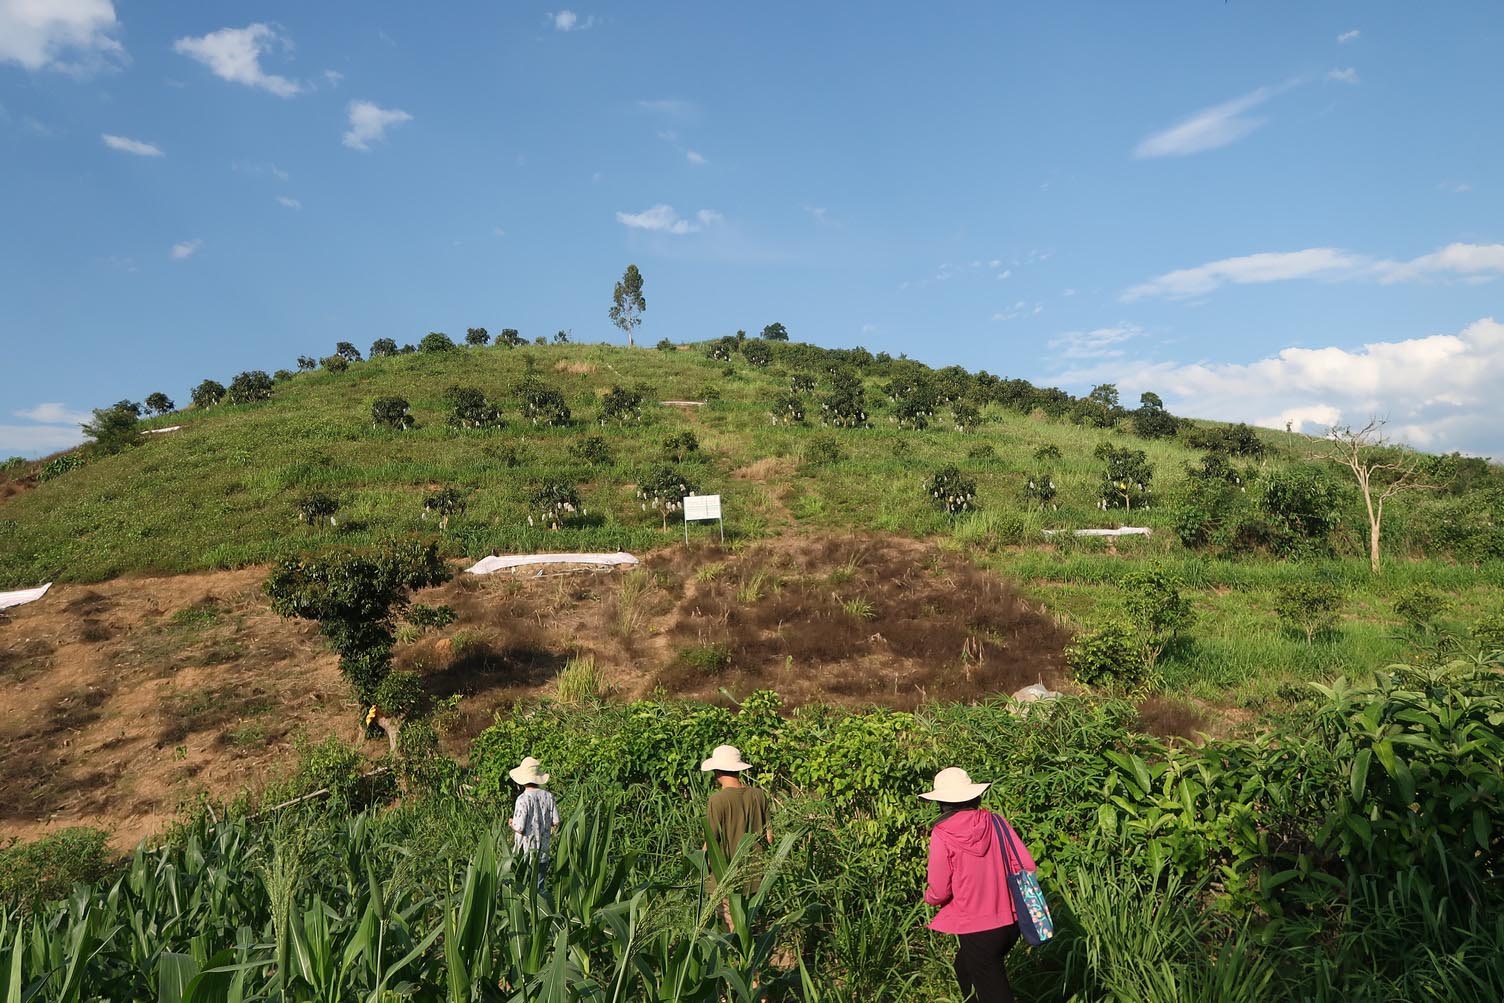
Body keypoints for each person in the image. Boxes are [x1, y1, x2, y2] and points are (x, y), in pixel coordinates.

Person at [920, 767, 1037, 1003]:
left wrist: (930, 897)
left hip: (977, 927)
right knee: (964, 967)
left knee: (994, 993)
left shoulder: (942, 833)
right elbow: (1026, 865)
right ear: (975, 796)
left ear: (941, 803)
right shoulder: (997, 822)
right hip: (1012, 921)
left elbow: (940, 888)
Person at [700, 744, 772, 928]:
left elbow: (711, 840)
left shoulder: (717, 800)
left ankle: (735, 957)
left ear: (717, 771)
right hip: (754, 875)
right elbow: (769, 837)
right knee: (751, 925)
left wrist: (699, 865)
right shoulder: (759, 795)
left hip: (725, 875)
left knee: (731, 928)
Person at [509, 756, 560, 889]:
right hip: (543, 851)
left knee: (525, 889)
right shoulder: (549, 796)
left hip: (526, 853)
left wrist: (511, 822)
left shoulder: (523, 799)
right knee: (539, 888)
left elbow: (519, 827)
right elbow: (556, 821)